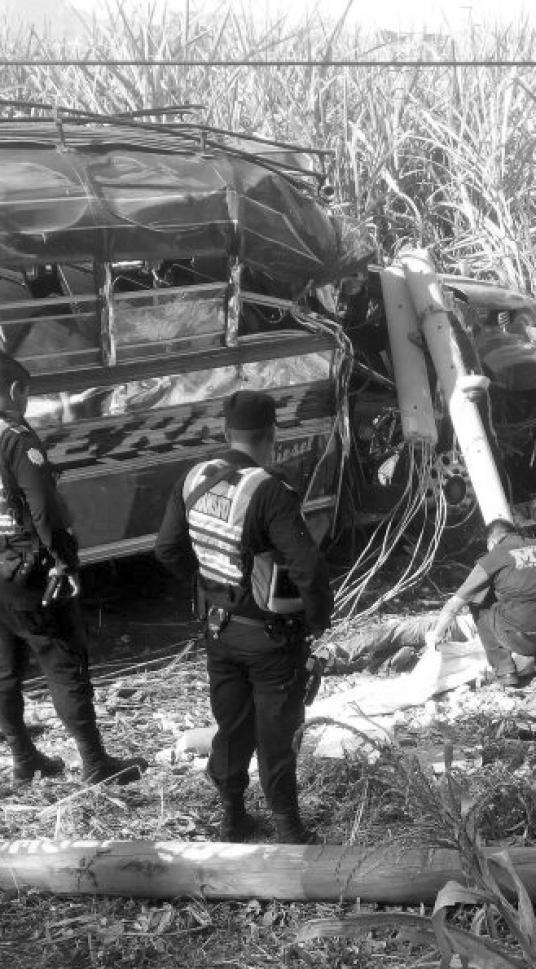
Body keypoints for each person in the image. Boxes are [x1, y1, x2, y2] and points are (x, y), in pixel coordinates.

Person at [155, 390, 332, 843]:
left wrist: (209, 587)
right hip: (271, 639)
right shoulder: (269, 491)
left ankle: (232, 817)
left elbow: (168, 549)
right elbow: (307, 567)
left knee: (231, 726)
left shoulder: (192, 478)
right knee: (277, 731)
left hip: (219, 630)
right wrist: (317, 622)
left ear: (224, 432)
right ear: (272, 435)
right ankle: (290, 830)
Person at [0, 352, 147, 785]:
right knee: (63, 660)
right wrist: (61, 561)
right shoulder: (16, 437)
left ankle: (24, 758)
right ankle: (96, 764)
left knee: (5, 668)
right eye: (25, 394)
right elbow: (43, 507)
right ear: (14, 391)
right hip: (27, 571)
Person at [425, 518, 536, 687]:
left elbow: (454, 605)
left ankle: (505, 671)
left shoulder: (494, 556)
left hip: (526, 638)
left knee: (478, 600)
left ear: (492, 540)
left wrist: (436, 635)